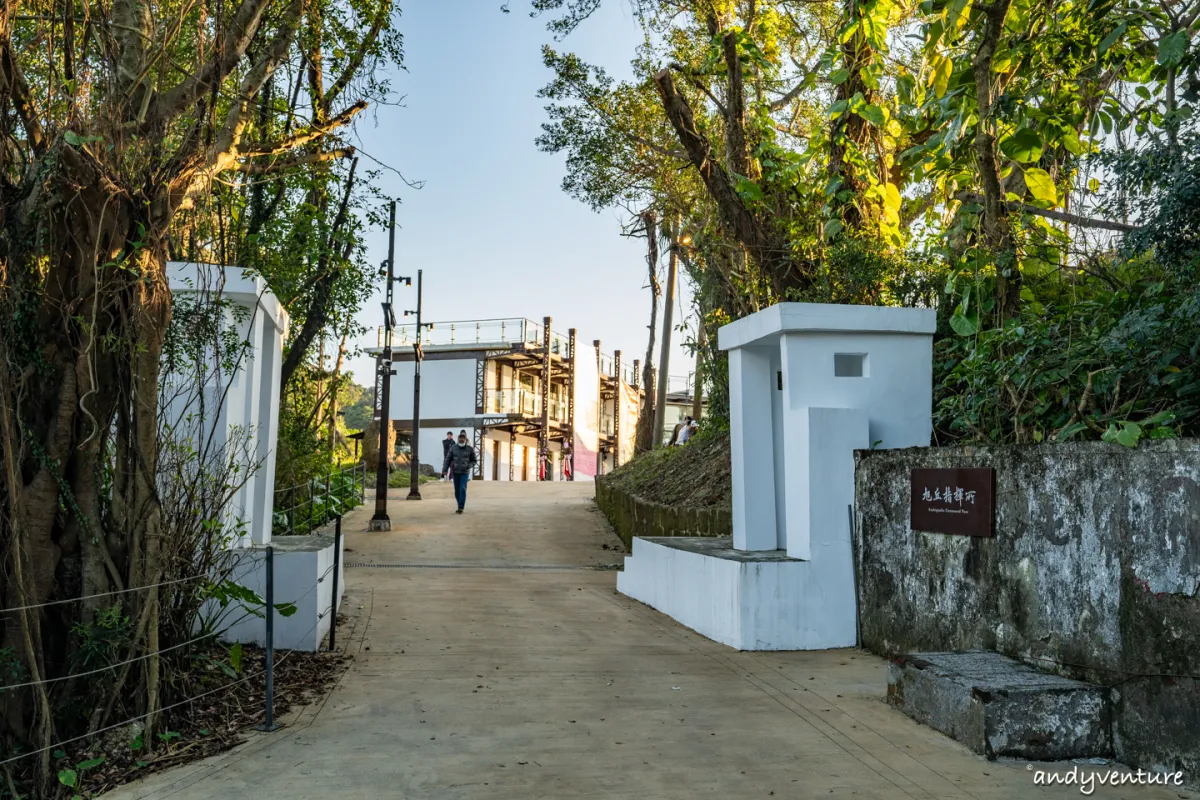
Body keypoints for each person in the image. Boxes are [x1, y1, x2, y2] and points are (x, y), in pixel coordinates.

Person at [443, 432, 477, 513]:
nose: (461, 443)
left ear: (465, 441)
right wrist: (445, 470)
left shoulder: (470, 449)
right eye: (460, 442)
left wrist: (468, 466)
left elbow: (474, 460)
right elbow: (448, 459)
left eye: (463, 442)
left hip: (465, 472)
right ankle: (459, 504)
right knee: (457, 491)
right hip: (455, 472)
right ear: (458, 441)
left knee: (462, 488)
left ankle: (461, 507)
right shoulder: (453, 448)